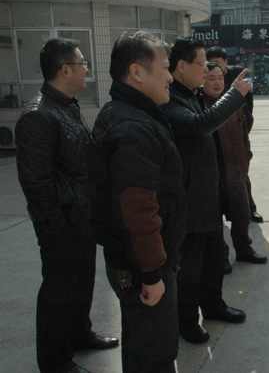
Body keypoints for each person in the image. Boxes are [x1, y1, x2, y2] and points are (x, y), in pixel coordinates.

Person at [16, 38, 118, 373]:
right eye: (82, 63)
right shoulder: (39, 116)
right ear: (64, 70)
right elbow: (36, 182)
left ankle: (80, 334)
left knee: (82, 282)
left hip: (81, 216)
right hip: (61, 224)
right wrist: (56, 226)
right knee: (59, 291)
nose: (86, 68)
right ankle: (54, 359)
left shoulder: (66, 106)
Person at [89, 31, 178, 372]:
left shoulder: (123, 112)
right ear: (137, 72)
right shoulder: (133, 127)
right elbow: (138, 211)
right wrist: (152, 274)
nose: (170, 78)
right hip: (142, 265)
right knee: (153, 353)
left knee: (142, 344)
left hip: (135, 259)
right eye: (165, 68)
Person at [161, 38, 250, 345]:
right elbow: (200, 125)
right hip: (188, 199)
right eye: (200, 64)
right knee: (190, 268)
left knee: (213, 260)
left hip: (207, 195)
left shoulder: (193, 94)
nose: (205, 70)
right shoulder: (170, 99)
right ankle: (187, 322)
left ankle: (213, 306)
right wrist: (235, 95)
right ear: (181, 66)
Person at [202, 63, 267, 264]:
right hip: (214, 177)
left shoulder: (231, 104)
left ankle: (244, 250)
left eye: (220, 78)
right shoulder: (200, 108)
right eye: (211, 78)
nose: (217, 83)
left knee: (242, 216)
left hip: (236, 173)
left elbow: (244, 133)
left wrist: (246, 157)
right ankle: (221, 257)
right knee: (215, 222)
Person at [206, 46, 263, 224]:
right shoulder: (204, 77)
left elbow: (248, 101)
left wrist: (244, 125)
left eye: (218, 63)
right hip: (216, 130)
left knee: (241, 176)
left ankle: (251, 209)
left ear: (226, 62)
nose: (217, 80)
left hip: (237, 126)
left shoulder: (237, 74)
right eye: (211, 63)